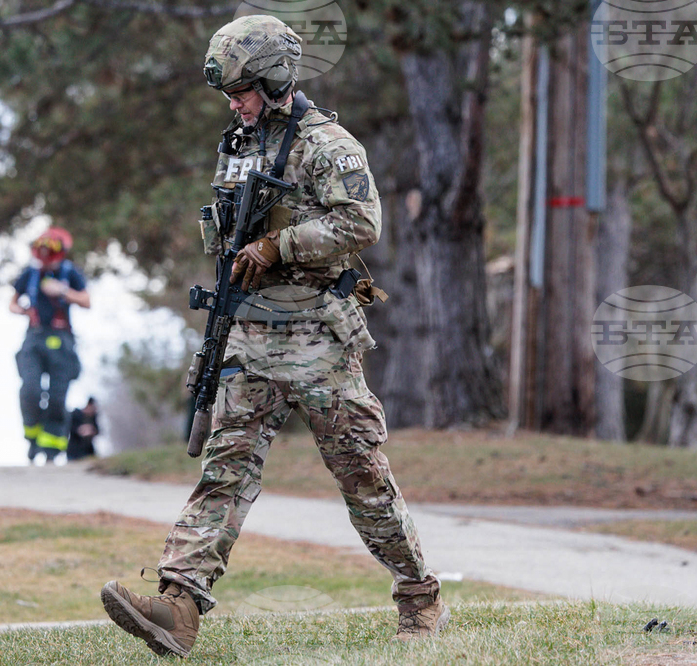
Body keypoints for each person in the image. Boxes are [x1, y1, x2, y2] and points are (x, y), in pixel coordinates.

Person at [101, 15, 445, 657]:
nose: (234, 104)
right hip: (252, 335)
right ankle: (178, 605)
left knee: (363, 476)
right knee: (224, 470)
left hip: (319, 339)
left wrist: (279, 243)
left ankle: (419, 595)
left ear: (277, 79)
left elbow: (360, 223)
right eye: (230, 94)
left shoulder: (327, 144)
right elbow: (225, 234)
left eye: (243, 90)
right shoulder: (238, 145)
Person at [10, 227, 90, 464]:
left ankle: (52, 449)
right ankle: (32, 440)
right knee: (30, 390)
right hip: (34, 337)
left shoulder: (70, 273)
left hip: (62, 340)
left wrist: (63, 291)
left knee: (57, 397)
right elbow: (12, 303)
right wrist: (22, 310)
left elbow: (86, 300)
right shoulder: (29, 275)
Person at [67, 396, 100, 461]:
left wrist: (91, 430)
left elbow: (98, 431)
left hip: (88, 451)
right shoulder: (76, 414)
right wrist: (80, 430)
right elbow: (69, 428)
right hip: (74, 450)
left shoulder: (93, 417)